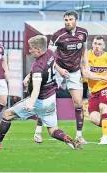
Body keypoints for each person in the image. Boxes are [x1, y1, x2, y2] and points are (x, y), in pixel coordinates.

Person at [0, 35, 81, 150]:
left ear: (39, 50)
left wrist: (31, 103)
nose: (30, 50)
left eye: (31, 48)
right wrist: (60, 70)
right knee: (53, 130)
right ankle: (66, 138)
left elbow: (36, 89)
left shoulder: (37, 66)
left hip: (39, 100)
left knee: (7, 114)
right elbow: (52, 64)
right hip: (51, 99)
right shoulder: (50, 53)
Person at [33, 10, 88, 145]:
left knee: (78, 103)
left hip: (74, 71)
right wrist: (59, 69)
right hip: (58, 70)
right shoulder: (58, 35)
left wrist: (85, 66)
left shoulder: (83, 33)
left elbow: (84, 49)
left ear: (76, 20)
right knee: (46, 101)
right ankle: (38, 131)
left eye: (70, 20)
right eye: (66, 20)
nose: (68, 22)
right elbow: (49, 56)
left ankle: (79, 135)